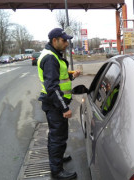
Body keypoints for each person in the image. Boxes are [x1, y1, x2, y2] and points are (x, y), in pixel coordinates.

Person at [37, 28, 80, 180]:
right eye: (64, 40)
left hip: (53, 104)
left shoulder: (53, 55)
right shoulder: (50, 58)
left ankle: (57, 159)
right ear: (54, 40)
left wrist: (71, 76)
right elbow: (52, 87)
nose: (67, 43)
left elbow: (59, 77)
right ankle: (57, 171)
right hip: (55, 105)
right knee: (58, 138)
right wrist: (64, 107)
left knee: (56, 136)